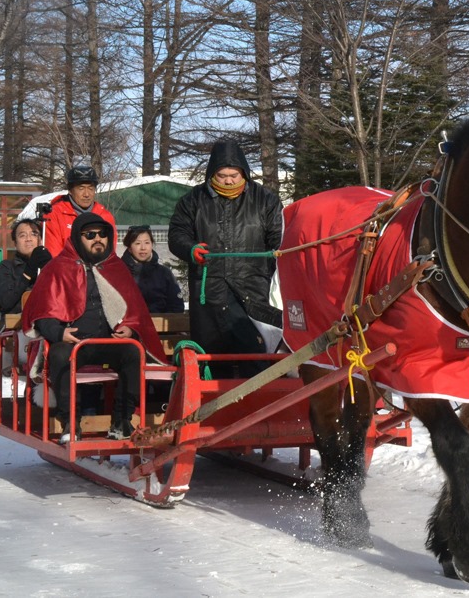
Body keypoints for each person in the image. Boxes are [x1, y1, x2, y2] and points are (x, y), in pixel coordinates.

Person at [22, 212, 166, 443]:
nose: (97, 239)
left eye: (102, 234)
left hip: (109, 341)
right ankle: (70, 422)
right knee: (59, 355)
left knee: (133, 352)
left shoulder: (116, 267)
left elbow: (135, 310)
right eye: (90, 235)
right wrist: (59, 333)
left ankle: (121, 420)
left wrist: (130, 329)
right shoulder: (58, 267)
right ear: (78, 238)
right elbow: (42, 313)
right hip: (75, 342)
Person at [168, 138, 283, 378]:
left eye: (234, 174)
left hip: (253, 292)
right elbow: (177, 234)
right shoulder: (193, 200)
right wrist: (190, 248)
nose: (229, 180)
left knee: (255, 358)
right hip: (209, 292)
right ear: (212, 173)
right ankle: (213, 412)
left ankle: (257, 411)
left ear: (244, 173)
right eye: (222, 175)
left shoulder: (266, 200)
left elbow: (279, 238)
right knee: (212, 360)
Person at [42, 165, 117, 257]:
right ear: (70, 190)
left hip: (97, 269)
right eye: (81, 188)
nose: (86, 194)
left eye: (91, 188)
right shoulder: (54, 215)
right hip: (66, 269)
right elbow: (54, 254)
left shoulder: (105, 216)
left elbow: (110, 254)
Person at [0, 218, 52, 315]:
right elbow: (6, 301)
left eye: (34, 234)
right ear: (15, 243)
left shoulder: (50, 264)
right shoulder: (7, 266)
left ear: (41, 240)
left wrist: (52, 267)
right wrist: (27, 273)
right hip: (16, 322)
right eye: (22, 235)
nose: (28, 239)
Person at [121, 225, 185, 313]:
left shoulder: (164, 273)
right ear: (129, 248)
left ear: (152, 245)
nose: (143, 248)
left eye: (147, 243)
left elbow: (176, 306)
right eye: (137, 243)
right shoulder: (119, 272)